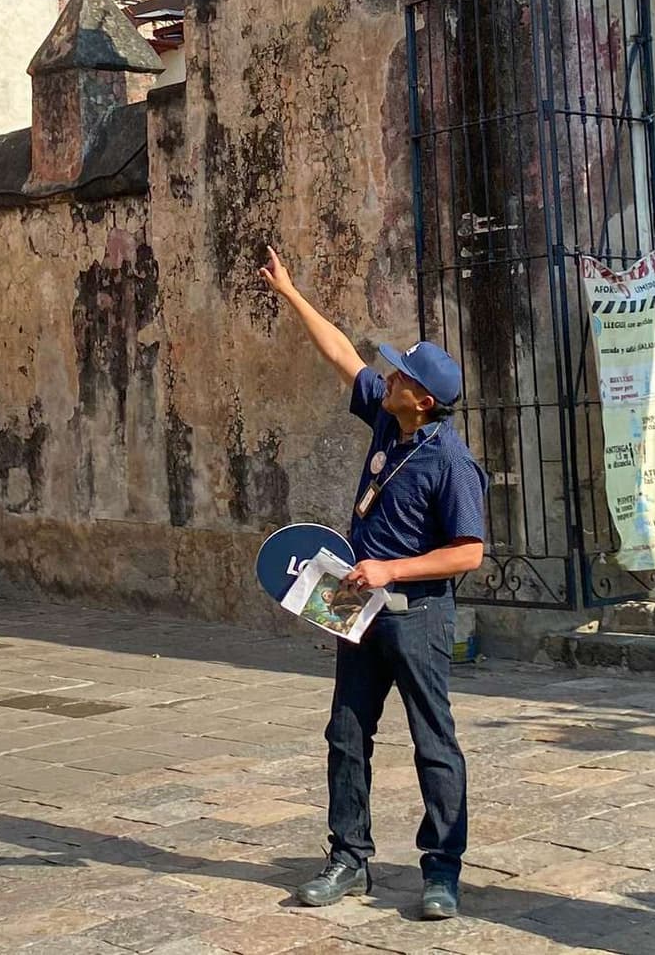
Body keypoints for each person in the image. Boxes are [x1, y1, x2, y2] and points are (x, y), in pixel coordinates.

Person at [259, 246, 486, 920]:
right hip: (355, 604)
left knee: (433, 741)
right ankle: (348, 859)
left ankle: (441, 871)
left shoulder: (452, 462)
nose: (387, 375)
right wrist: (291, 292)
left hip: (415, 612)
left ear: (425, 398)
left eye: (402, 375)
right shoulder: (390, 419)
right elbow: (340, 355)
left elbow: (468, 554)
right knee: (346, 732)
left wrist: (392, 568)